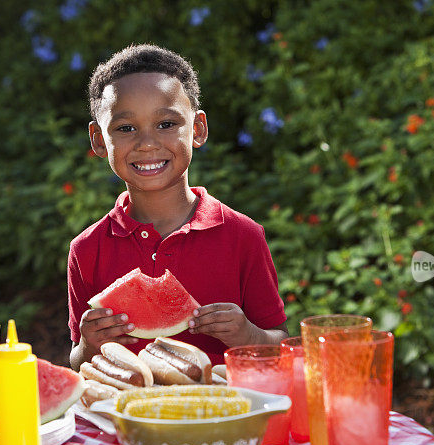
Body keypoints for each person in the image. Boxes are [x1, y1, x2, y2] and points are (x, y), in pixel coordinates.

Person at [68, 43, 287, 370]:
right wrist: (87, 346)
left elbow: (280, 342)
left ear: (197, 129)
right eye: (126, 128)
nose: (147, 143)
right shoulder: (86, 250)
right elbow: (77, 360)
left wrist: (248, 335)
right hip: (127, 416)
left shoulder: (243, 235)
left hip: (224, 414)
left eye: (166, 124)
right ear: (99, 140)